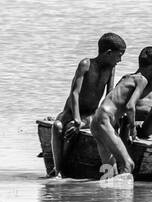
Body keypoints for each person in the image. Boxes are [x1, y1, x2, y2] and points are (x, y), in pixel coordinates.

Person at [49, 32, 125, 177]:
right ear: (108, 53)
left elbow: (109, 95)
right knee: (57, 126)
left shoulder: (110, 69)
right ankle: (57, 169)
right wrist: (77, 118)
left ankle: (62, 170)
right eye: (119, 55)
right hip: (72, 111)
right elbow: (75, 93)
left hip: (91, 114)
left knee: (72, 128)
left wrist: (112, 117)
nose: (120, 60)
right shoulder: (85, 65)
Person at [91, 46, 152, 180]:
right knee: (128, 164)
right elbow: (130, 106)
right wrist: (133, 130)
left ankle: (106, 198)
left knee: (111, 169)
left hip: (97, 120)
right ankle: (124, 199)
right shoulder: (142, 80)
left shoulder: (128, 78)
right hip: (105, 120)